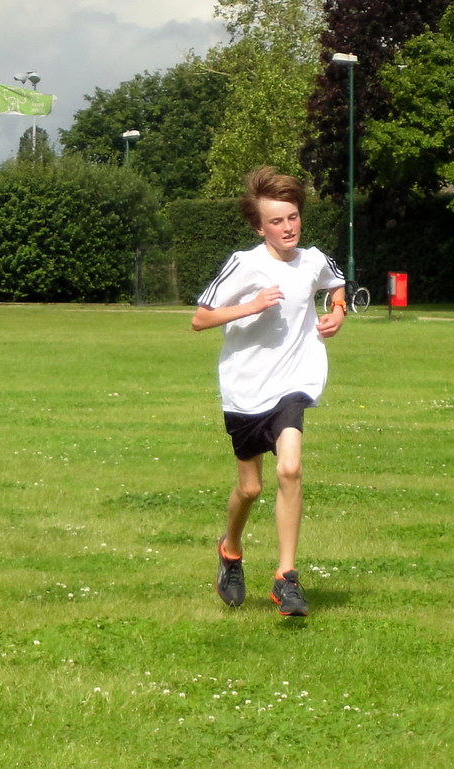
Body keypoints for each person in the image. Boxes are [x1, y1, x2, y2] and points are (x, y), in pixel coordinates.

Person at [192, 166, 346, 617]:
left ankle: (286, 578)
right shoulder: (245, 264)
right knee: (250, 488)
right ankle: (231, 550)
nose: (288, 227)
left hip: (294, 382)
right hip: (245, 388)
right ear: (260, 227)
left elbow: (335, 283)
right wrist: (252, 305)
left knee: (291, 469)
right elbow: (200, 319)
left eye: (293, 217)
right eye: (276, 221)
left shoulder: (313, 259)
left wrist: (337, 312)